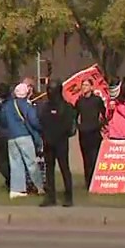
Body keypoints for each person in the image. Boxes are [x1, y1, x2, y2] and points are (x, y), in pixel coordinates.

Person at [0, 82, 43, 199]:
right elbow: (33, 121)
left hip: (11, 137)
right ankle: (39, 187)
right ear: (27, 93)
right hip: (24, 135)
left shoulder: (8, 105)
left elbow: (2, 120)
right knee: (31, 163)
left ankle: (16, 190)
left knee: (15, 163)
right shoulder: (26, 105)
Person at [38, 79, 75, 207]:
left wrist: (57, 135)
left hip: (61, 143)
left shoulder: (67, 107)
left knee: (65, 168)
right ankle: (50, 197)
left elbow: (68, 126)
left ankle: (68, 196)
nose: (49, 92)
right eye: (48, 90)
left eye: (51, 90)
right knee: (49, 170)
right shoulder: (45, 107)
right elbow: (41, 122)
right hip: (48, 143)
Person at [75, 78, 106, 190]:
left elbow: (105, 113)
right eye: (83, 85)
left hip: (94, 133)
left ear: (92, 87)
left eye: (87, 85)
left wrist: (100, 125)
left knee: (94, 158)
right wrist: (78, 126)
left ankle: (95, 181)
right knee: (86, 159)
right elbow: (75, 115)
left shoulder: (97, 100)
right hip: (83, 133)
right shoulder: (79, 101)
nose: (84, 87)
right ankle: (88, 183)